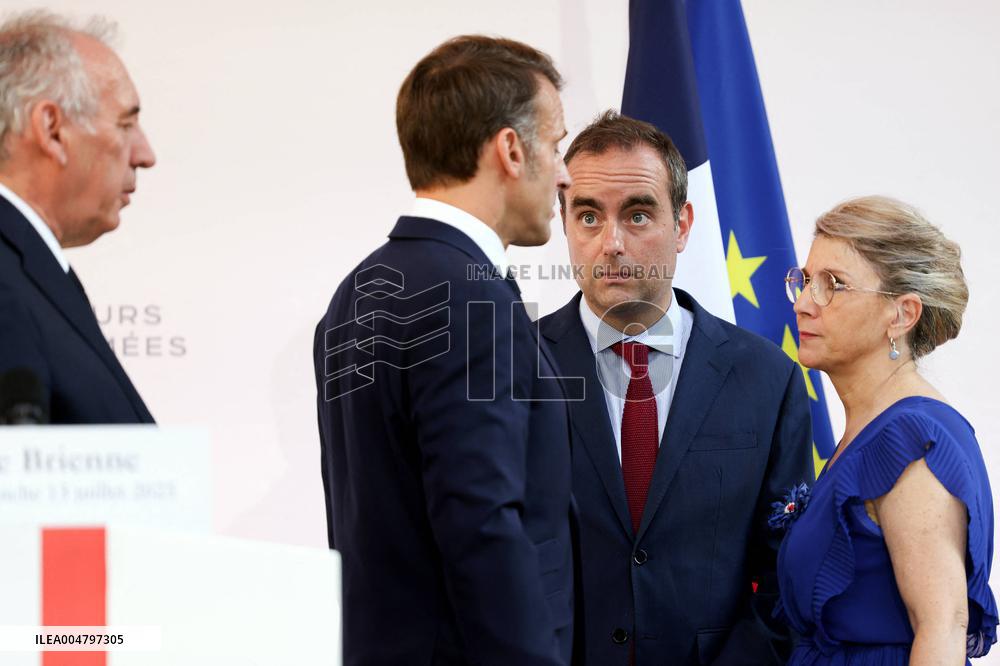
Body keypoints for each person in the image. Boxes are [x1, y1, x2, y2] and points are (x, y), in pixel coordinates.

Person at [314, 36, 576, 665]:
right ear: (511, 150)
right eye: (558, 144)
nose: (565, 175)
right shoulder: (469, 298)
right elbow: (481, 522)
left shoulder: (357, 290)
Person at [539, 110, 813, 664]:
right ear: (564, 221)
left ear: (683, 224)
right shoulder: (512, 367)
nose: (611, 243)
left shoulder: (767, 376)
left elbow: (787, 569)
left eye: (637, 216)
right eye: (588, 216)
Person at [777, 196, 997, 664]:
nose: (802, 304)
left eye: (832, 286)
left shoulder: (912, 438)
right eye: (805, 281)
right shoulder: (870, 430)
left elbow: (942, 627)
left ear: (902, 315)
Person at [0, 11, 156, 424]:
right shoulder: (6, 278)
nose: (145, 155)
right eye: (126, 124)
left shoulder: (31, 268)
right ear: (51, 130)